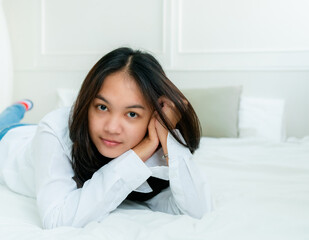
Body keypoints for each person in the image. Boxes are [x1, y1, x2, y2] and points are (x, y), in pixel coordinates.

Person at [0, 47, 213, 229]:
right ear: (87, 102)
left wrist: (165, 134)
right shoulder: (54, 130)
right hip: (10, 140)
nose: (111, 128)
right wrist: (142, 149)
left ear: (153, 115)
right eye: (102, 107)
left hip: (33, 135)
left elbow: (198, 210)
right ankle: (16, 108)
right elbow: (57, 219)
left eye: (132, 114)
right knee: (6, 121)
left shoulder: (155, 147)